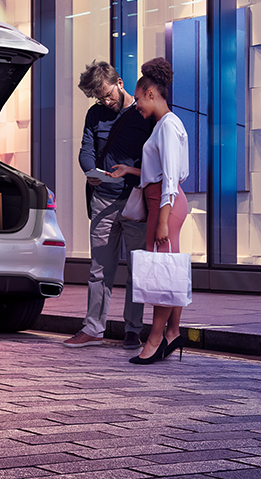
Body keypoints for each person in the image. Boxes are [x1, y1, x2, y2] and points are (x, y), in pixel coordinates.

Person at [63, 61, 155, 351]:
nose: (105, 101)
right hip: (102, 198)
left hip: (134, 200)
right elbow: (86, 150)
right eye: (100, 98)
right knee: (100, 269)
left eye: (108, 95)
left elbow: (154, 157)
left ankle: (133, 329)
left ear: (121, 83)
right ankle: (93, 328)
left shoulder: (143, 113)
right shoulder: (95, 114)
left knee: (137, 268)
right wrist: (91, 172)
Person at [111, 57, 190, 365]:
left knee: (162, 275)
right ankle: (172, 334)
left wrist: (163, 220)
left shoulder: (168, 126)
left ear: (151, 93)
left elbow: (171, 178)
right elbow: (159, 172)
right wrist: (131, 171)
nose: (137, 106)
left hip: (165, 204)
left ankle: (155, 340)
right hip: (161, 202)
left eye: (139, 98)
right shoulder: (164, 125)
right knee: (170, 273)